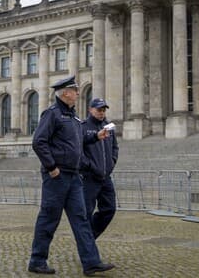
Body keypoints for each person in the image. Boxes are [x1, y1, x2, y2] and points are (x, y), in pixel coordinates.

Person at [28, 76, 115, 276]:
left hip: (75, 177)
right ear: (66, 93)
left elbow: (79, 139)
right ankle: (37, 260)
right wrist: (52, 167)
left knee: (82, 220)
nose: (78, 93)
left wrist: (95, 136)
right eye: (75, 90)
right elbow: (38, 142)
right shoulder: (52, 114)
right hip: (57, 177)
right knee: (49, 218)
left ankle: (91, 262)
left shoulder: (74, 117)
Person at [81, 98, 119, 239]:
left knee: (109, 209)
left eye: (103, 110)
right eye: (98, 110)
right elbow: (78, 151)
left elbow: (115, 147)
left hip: (105, 176)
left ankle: (89, 237)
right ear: (90, 109)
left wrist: (111, 163)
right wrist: (89, 166)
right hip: (89, 177)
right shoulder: (83, 126)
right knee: (86, 212)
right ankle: (87, 244)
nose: (102, 112)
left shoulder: (109, 127)